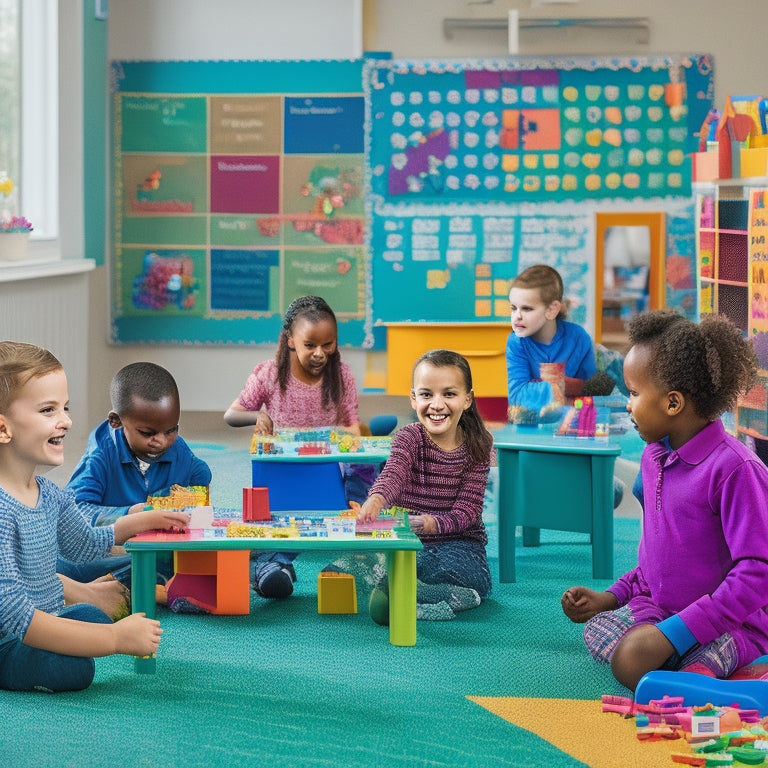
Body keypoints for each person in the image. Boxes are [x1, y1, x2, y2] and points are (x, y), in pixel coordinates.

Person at [561, 310, 768, 691]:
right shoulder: (654, 455)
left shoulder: (736, 470)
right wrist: (611, 597)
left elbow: (757, 573)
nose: (627, 404)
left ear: (673, 403)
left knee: (671, 663)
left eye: (635, 394)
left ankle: (695, 666)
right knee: (601, 632)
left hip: (731, 621)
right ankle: (679, 663)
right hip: (661, 606)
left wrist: (678, 630)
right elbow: (657, 555)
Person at [0, 341, 190, 692]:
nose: (66, 421)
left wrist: (141, 521)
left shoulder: (50, 493)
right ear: (3, 429)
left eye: (65, 408)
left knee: (90, 616)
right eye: (47, 411)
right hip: (8, 638)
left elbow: (84, 545)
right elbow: (13, 613)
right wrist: (115, 639)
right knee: (72, 671)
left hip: (43, 619)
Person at [224, 295, 368, 599]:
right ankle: (273, 564)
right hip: (281, 472)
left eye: (328, 345)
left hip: (326, 469)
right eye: (310, 345)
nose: (320, 354)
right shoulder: (268, 374)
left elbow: (352, 426)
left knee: (368, 462)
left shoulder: (341, 376)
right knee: (281, 521)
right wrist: (257, 415)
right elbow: (231, 415)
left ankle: (281, 561)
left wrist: (352, 444)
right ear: (290, 340)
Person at [350, 349, 494, 623]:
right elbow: (394, 473)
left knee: (467, 574)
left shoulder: (479, 444)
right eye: (427, 394)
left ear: (467, 399)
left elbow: (468, 512)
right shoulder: (409, 437)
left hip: (459, 544)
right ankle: (410, 592)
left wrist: (430, 524)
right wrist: (377, 499)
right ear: (414, 398)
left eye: (449, 394)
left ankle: (415, 595)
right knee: (358, 561)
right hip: (410, 541)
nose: (437, 405)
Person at [61, 362, 212, 600]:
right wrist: (132, 514)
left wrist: (193, 500)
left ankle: (267, 568)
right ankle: (124, 588)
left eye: (171, 430)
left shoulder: (177, 449)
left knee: (223, 548)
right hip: (112, 547)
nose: (161, 441)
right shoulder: (100, 456)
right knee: (63, 564)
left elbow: (201, 474)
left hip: (155, 547)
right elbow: (73, 511)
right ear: (116, 421)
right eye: (148, 433)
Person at [506, 264, 597, 415]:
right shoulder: (516, 342)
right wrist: (562, 387)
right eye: (513, 308)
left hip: (572, 424)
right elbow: (517, 397)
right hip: (531, 426)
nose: (517, 316)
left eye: (527, 308)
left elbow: (592, 392)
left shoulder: (579, 338)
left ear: (552, 310)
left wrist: (541, 390)